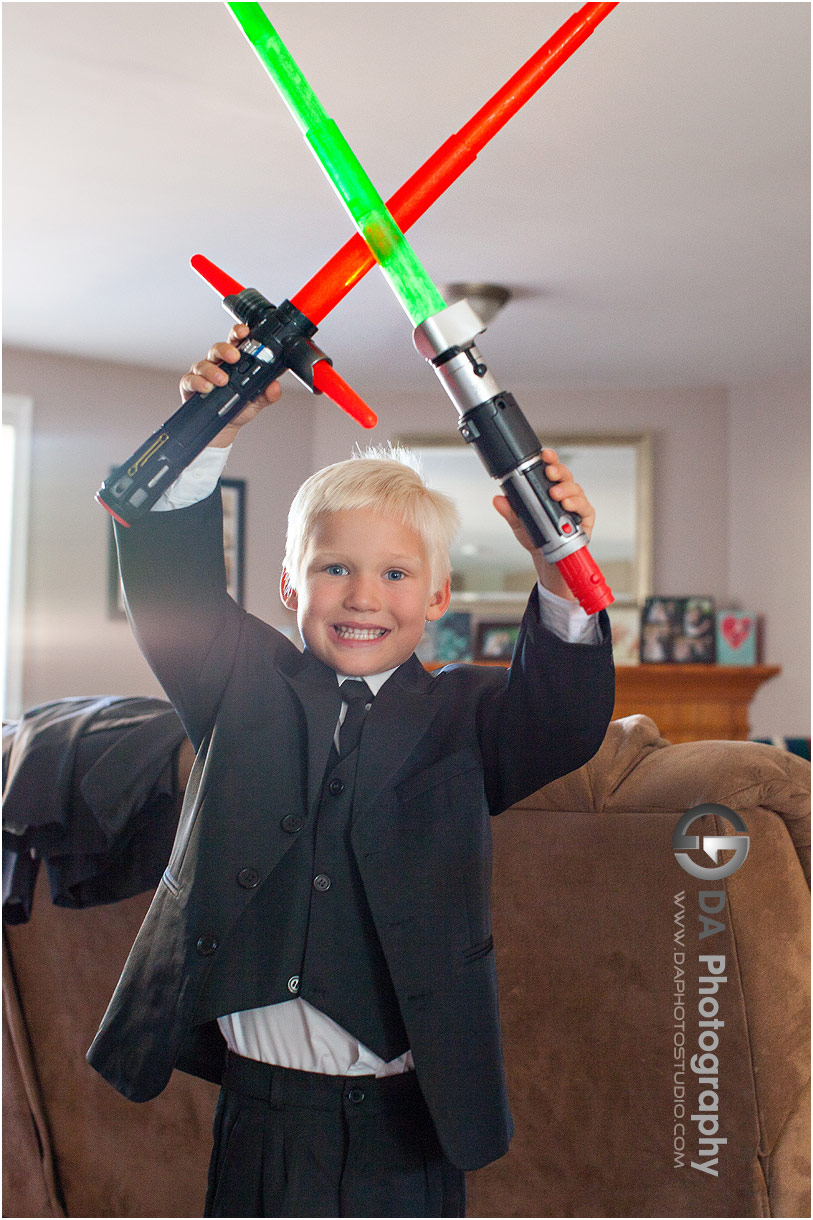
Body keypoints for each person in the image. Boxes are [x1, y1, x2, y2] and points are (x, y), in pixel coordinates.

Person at [88, 323, 615, 1217]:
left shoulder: (466, 722)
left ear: (439, 598)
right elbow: (170, 581)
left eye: (396, 574)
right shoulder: (237, 682)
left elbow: (562, 716)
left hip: (408, 1124)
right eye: (334, 568)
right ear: (291, 588)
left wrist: (556, 564)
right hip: (259, 1112)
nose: (364, 596)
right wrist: (210, 425)